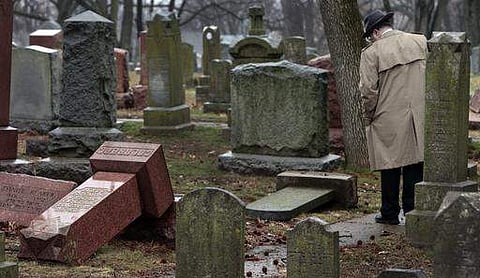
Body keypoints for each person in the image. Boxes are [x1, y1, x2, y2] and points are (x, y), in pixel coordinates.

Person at [359, 10, 427, 225]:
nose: (370, 39)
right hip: (419, 112)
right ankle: (412, 210)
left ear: (376, 32)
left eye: (370, 35)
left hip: (387, 114)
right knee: (415, 162)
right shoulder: (420, 41)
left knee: (389, 165)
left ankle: (389, 212)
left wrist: (367, 115)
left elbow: (368, 91)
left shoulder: (371, 53)